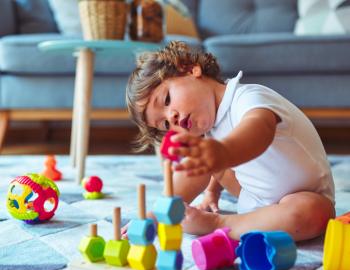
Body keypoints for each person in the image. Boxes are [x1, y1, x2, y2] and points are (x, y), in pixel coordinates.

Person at [125, 41, 335, 241]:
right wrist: (156, 215)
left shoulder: (248, 97)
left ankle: (219, 224)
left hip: (303, 197)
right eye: (165, 125)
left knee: (311, 212)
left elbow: (259, 130)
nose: (172, 119)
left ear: (190, 69)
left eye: (167, 100)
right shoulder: (210, 133)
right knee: (200, 162)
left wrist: (222, 153)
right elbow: (197, 174)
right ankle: (249, 223)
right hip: (254, 202)